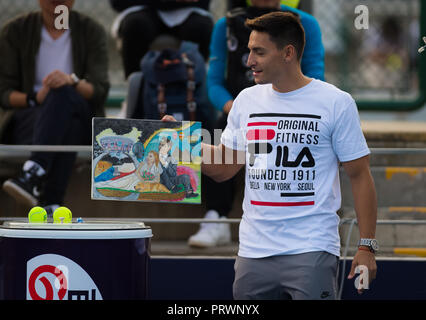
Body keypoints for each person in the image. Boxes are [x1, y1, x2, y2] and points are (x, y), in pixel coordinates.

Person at [164, 11, 377, 300]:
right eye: (249, 50)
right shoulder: (246, 100)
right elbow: (225, 167)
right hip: (253, 252)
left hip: (311, 249)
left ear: (288, 53)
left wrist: (366, 248)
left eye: (258, 52)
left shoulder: (336, 102)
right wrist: (181, 143)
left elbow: (360, 176)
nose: (249, 60)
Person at [188, 0, 325, 248]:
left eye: (259, 51)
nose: (252, 60)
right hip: (237, 112)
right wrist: (234, 108)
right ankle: (216, 217)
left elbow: (315, 74)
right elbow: (214, 82)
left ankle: (288, 218)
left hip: (290, 110)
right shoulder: (226, 25)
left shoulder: (305, 24)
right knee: (217, 128)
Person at [0, 0, 110, 214]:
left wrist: (72, 81)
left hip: (80, 113)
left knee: (63, 94)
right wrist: (36, 97)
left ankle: (33, 172)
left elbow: (99, 90)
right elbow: (3, 92)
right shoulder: (16, 31)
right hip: (31, 119)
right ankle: (51, 202)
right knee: (67, 120)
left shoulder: (91, 30)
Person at [109, 0, 213, 79]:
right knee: (135, 26)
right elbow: (118, 3)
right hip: (141, 8)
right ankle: (137, 90)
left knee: (200, 28)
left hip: (187, 10)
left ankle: (193, 89)